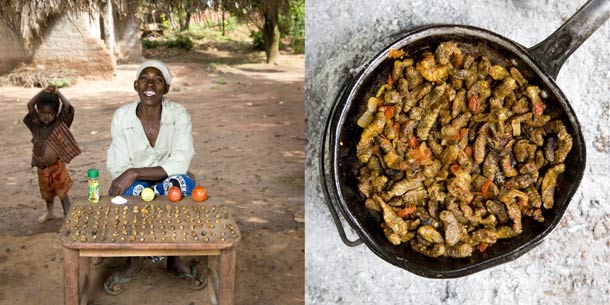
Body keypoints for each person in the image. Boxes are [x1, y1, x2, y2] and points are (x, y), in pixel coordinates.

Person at [104, 59, 206, 295]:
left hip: (165, 177)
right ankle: (134, 259)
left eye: (158, 80)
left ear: (166, 89)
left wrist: (136, 171)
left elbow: (181, 160)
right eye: (144, 78)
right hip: (134, 182)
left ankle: (172, 258)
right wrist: (132, 176)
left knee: (181, 188)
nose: (150, 84)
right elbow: (119, 164)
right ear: (135, 85)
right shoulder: (122, 116)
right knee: (128, 196)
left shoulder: (178, 114)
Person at [23, 86, 81, 223]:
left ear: (55, 113)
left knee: (62, 193)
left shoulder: (60, 124)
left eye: (51, 113)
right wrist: (42, 91)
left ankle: (68, 215)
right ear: (38, 112)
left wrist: (58, 93)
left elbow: (67, 106)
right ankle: (50, 213)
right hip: (42, 168)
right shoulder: (35, 124)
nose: (47, 117)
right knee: (47, 194)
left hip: (57, 167)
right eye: (43, 113)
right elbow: (29, 105)